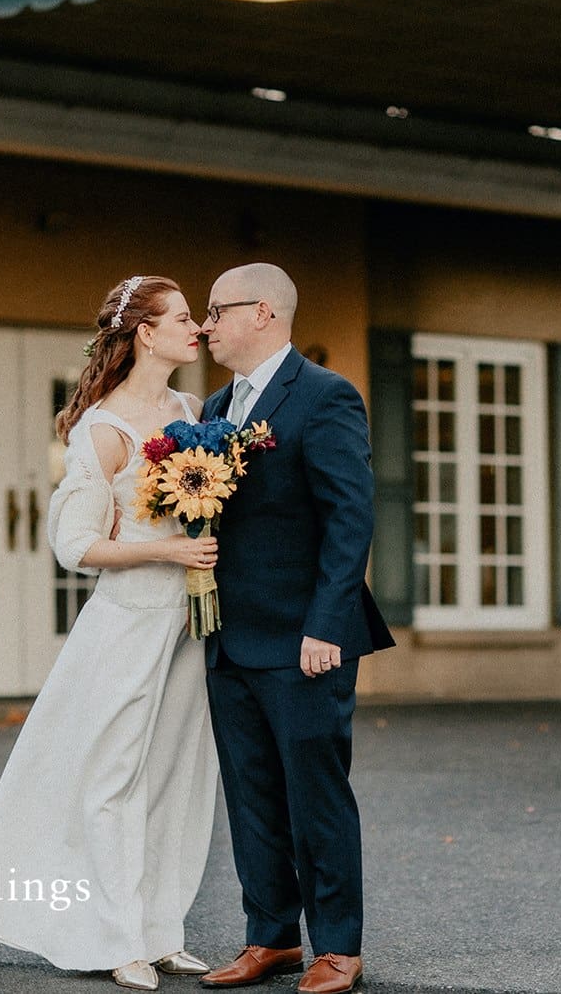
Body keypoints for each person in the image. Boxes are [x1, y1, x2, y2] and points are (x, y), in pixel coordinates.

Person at [0, 275, 220, 992]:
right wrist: (167, 550)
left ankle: (161, 929)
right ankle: (114, 935)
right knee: (113, 779)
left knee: (177, 773)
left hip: (190, 625)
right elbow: (75, 545)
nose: (197, 327)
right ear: (147, 333)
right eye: (185, 317)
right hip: (129, 623)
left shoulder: (193, 411)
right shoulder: (103, 429)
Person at [196, 263, 395, 994]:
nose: (207, 325)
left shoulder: (325, 396)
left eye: (218, 310)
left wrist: (326, 625)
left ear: (264, 313)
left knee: (316, 792)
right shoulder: (218, 405)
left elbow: (351, 518)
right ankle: (271, 935)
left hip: (307, 641)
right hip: (231, 640)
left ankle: (338, 944)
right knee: (251, 794)